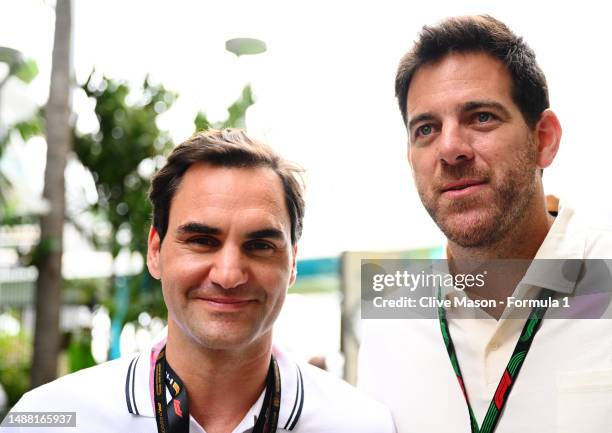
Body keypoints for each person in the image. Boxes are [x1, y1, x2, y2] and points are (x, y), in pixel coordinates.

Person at [3, 129, 395, 433]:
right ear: (155, 252)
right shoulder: (51, 419)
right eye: (202, 241)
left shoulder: (361, 423)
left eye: (259, 245)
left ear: (292, 263)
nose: (228, 275)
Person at [358, 15, 612, 433]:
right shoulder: (391, 328)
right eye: (426, 129)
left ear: (544, 138)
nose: (451, 149)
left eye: (480, 118)